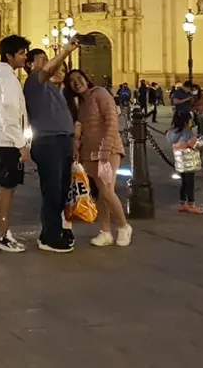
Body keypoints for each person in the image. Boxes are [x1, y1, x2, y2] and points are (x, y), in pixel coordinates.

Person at [65, 69, 133, 247]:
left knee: (107, 190)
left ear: (87, 79)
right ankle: (105, 232)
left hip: (108, 151)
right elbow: (81, 129)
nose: (76, 82)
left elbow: (112, 122)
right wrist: (77, 147)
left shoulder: (101, 93)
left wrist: (105, 151)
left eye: (79, 78)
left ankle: (124, 226)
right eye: (71, 81)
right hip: (89, 152)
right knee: (101, 193)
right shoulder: (81, 103)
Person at [23, 39, 80, 253]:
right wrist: (66, 50)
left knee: (63, 189)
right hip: (48, 141)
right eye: (42, 59)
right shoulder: (33, 83)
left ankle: (53, 231)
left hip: (63, 141)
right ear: (30, 65)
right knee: (53, 190)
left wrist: (73, 140)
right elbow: (47, 71)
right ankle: (50, 236)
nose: (49, 64)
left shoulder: (54, 89)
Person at [0, 35, 31, 253]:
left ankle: (2, 231)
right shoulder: (8, 79)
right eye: (21, 53)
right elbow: (10, 114)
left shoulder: (2, 76)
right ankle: (1, 235)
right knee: (7, 188)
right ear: (9, 55)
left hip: (3, 139)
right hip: (7, 141)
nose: (25, 57)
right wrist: (21, 144)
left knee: (7, 187)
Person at [167, 110, 203, 214]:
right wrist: (200, 141)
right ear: (186, 122)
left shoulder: (171, 132)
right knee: (190, 182)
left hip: (180, 162)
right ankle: (191, 204)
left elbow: (174, 143)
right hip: (189, 161)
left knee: (183, 182)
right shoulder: (187, 132)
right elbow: (191, 144)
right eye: (190, 121)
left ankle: (182, 203)